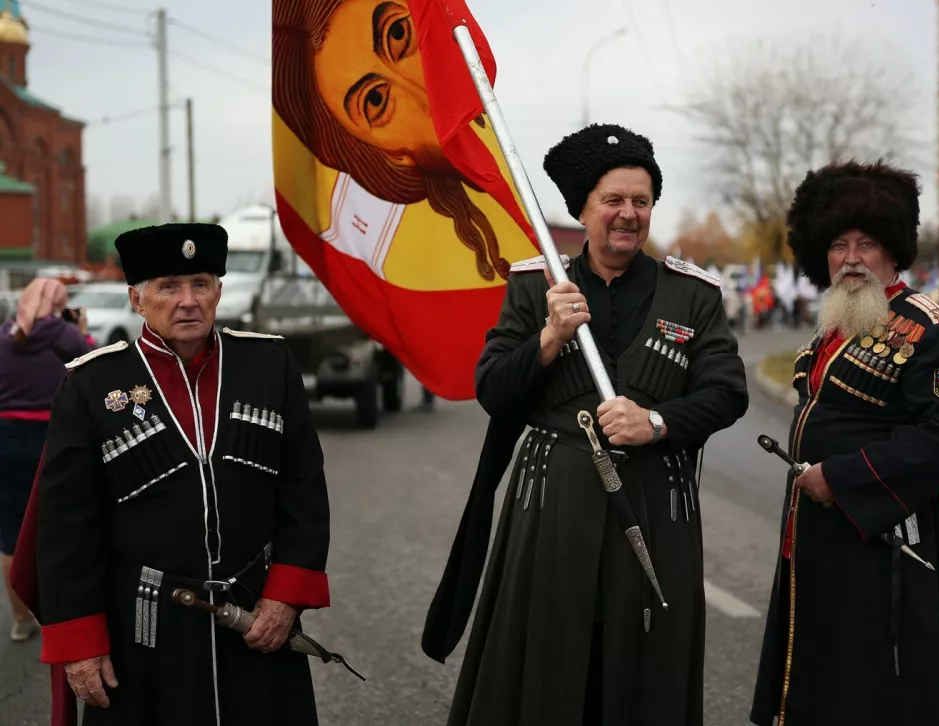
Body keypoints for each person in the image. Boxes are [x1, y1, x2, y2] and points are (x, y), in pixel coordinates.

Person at [421, 123, 749, 725]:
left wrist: (655, 421)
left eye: (641, 201)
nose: (628, 214)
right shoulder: (534, 285)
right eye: (613, 201)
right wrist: (547, 340)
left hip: (656, 508)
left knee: (644, 670)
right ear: (584, 209)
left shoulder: (693, 294)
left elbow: (727, 394)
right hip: (553, 508)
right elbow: (492, 388)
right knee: (550, 661)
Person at [14, 223, 332, 726]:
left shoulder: (269, 364)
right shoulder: (94, 383)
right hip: (145, 631)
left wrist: (286, 596)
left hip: (254, 618)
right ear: (137, 301)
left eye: (201, 284)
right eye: (168, 287)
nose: (188, 301)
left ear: (219, 292)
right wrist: (80, 644)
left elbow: (304, 488)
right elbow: (66, 528)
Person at [750, 160, 939, 726]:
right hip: (816, 539)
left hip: (882, 545)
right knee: (820, 680)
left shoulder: (931, 330)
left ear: (893, 251)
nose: (851, 258)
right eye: (838, 244)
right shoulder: (832, 327)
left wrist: (842, 477)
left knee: (874, 692)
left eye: (867, 243)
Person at [271, 0, 511, 281]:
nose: (421, 91)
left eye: (397, 33)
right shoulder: (409, 272)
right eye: (376, 100)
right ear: (392, 156)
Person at [0, 277, 94, 642]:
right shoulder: (64, 336)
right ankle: (53, 614)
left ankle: (20, 619)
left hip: (5, 438)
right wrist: (82, 330)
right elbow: (93, 369)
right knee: (54, 528)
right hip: (51, 438)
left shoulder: (4, 337)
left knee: (10, 534)